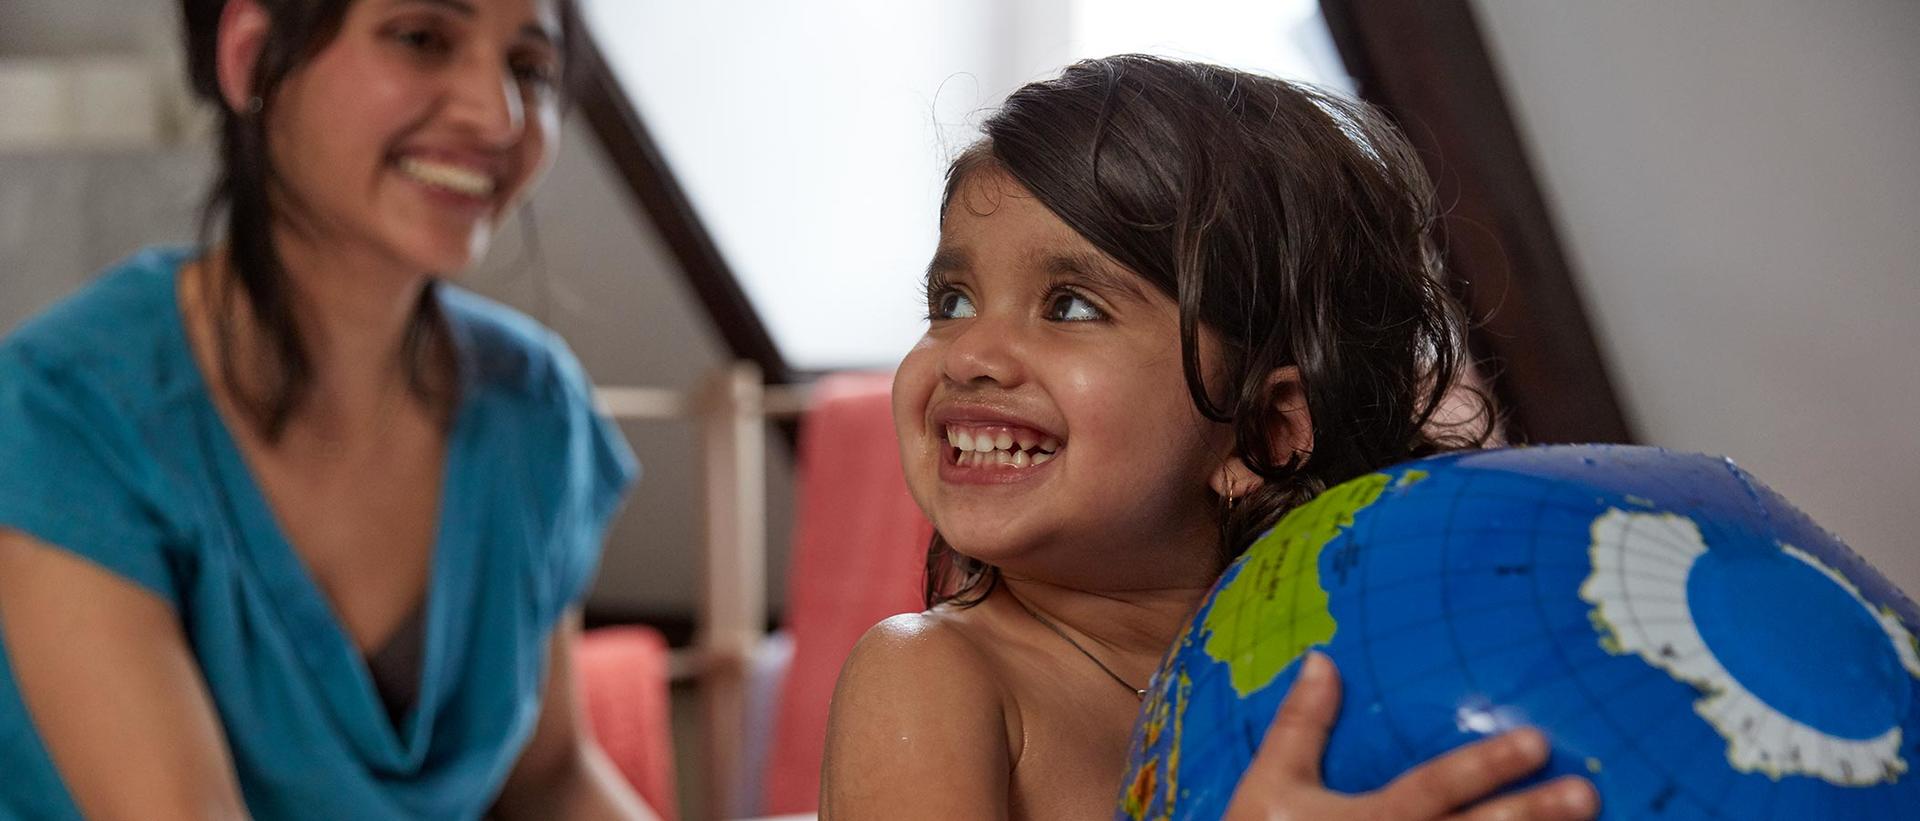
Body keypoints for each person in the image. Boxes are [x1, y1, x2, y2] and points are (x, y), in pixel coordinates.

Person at [820, 56, 1601, 819]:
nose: (970, 354)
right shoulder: (931, 676)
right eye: (952, 301)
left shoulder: (1344, 672)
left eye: (1070, 306)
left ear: (1266, 429)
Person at [0, 0, 656, 817]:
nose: (498, 115)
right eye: (423, 40)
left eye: (530, 69)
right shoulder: (67, 408)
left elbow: (551, 779)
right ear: (252, 57)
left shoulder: (534, 407)